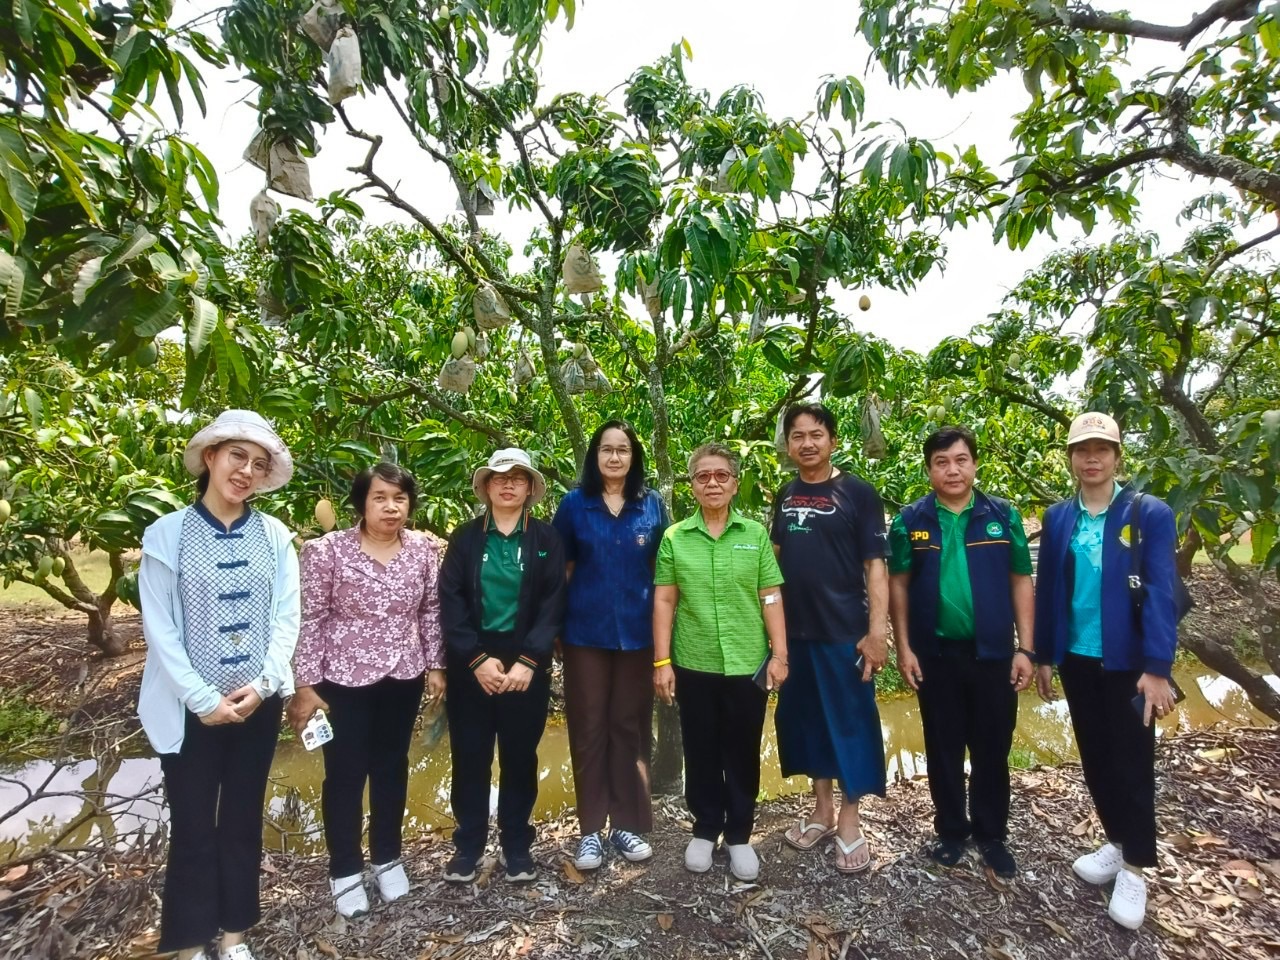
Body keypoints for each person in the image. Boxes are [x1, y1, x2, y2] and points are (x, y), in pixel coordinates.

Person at [136, 410, 299, 960]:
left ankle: (233, 936)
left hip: (257, 705)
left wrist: (264, 684)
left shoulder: (275, 536)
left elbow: (285, 620)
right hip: (190, 711)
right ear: (209, 458)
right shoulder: (167, 535)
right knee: (192, 823)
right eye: (237, 457)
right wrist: (202, 699)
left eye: (257, 464)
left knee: (242, 820)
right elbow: (159, 628)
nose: (246, 472)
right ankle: (186, 942)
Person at [1033, 412, 1180, 930]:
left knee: (1133, 761)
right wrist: (1043, 654)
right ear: (1071, 458)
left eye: (1102, 449)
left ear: (1118, 456)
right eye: (1081, 449)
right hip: (1076, 655)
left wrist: (1158, 667)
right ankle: (1117, 842)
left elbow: (1162, 590)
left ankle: (1137, 867)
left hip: (1130, 664)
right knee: (1095, 754)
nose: (1091, 458)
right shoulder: (1059, 518)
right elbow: (1049, 587)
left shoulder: (1148, 514)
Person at [288, 463, 446, 917]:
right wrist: (304, 683)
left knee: (392, 766)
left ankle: (387, 858)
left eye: (399, 498)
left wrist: (437, 664)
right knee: (344, 772)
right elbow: (311, 618)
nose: (391, 507)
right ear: (361, 503)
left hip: (403, 674)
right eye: (380, 498)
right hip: (343, 678)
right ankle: (344, 870)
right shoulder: (327, 551)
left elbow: (430, 612)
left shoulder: (421, 550)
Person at [887, 425, 1035, 879]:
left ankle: (992, 835)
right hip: (936, 655)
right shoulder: (910, 521)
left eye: (960, 460)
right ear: (929, 469)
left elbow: (1020, 581)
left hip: (993, 654)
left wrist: (1025, 648)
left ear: (974, 463)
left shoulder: (1002, 515)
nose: (952, 470)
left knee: (993, 748)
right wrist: (905, 647)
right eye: (941, 462)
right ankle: (951, 830)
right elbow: (898, 585)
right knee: (943, 747)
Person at [653, 442, 788, 883]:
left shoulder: (754, 536)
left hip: (749, 662)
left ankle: (740, 834)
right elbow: (666, 600)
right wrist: (662, 661)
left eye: (721, 476)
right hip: (694, 661)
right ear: (691, 485)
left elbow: (770, 596)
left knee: (743, 749)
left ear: (734, 483)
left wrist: (780, 654)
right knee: (701, 747)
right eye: (702, 476)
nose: (712, 483)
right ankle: (706, 827)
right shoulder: (675, 537)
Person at [771, 403, 890, 874]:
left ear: (833, 440)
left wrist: (877, 632)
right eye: (797, 436)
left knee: (851, 724)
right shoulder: (784, 494)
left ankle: (849, 819)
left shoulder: (858, 493)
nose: (806, 443)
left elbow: (875, 567)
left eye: (815, 434)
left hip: (845, 631)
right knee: (808, 723)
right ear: (789, 445)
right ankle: (820, 809)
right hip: (794, 635)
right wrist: (771, 635)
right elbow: (773, 564)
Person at [437, 448, 566, 884]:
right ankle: (468, 845)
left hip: (525, 665)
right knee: (470, 757)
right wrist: (475, 659)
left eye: (518, 477)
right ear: (486, 486)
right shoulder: (467, 537)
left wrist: (530, 660)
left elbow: (552, 603)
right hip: (473, 664)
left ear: (530, 488)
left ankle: (516, 845)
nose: (508, 484)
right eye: (499, 477)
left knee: (519, 757)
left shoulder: (545, 539)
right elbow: (450, 600)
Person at [552, 421, 669, 871]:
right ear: (594, 456)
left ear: (634, 456)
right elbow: (562, 570)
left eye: (623, 450)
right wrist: (557, 628)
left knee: (630, 726)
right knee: (588, 727)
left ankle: (626, 823)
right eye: (607, 450)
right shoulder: (574, 505)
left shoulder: (652, 505)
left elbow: (664, 573)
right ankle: (589, 831)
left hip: (639, 635)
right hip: (585, 633)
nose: (615, 458)